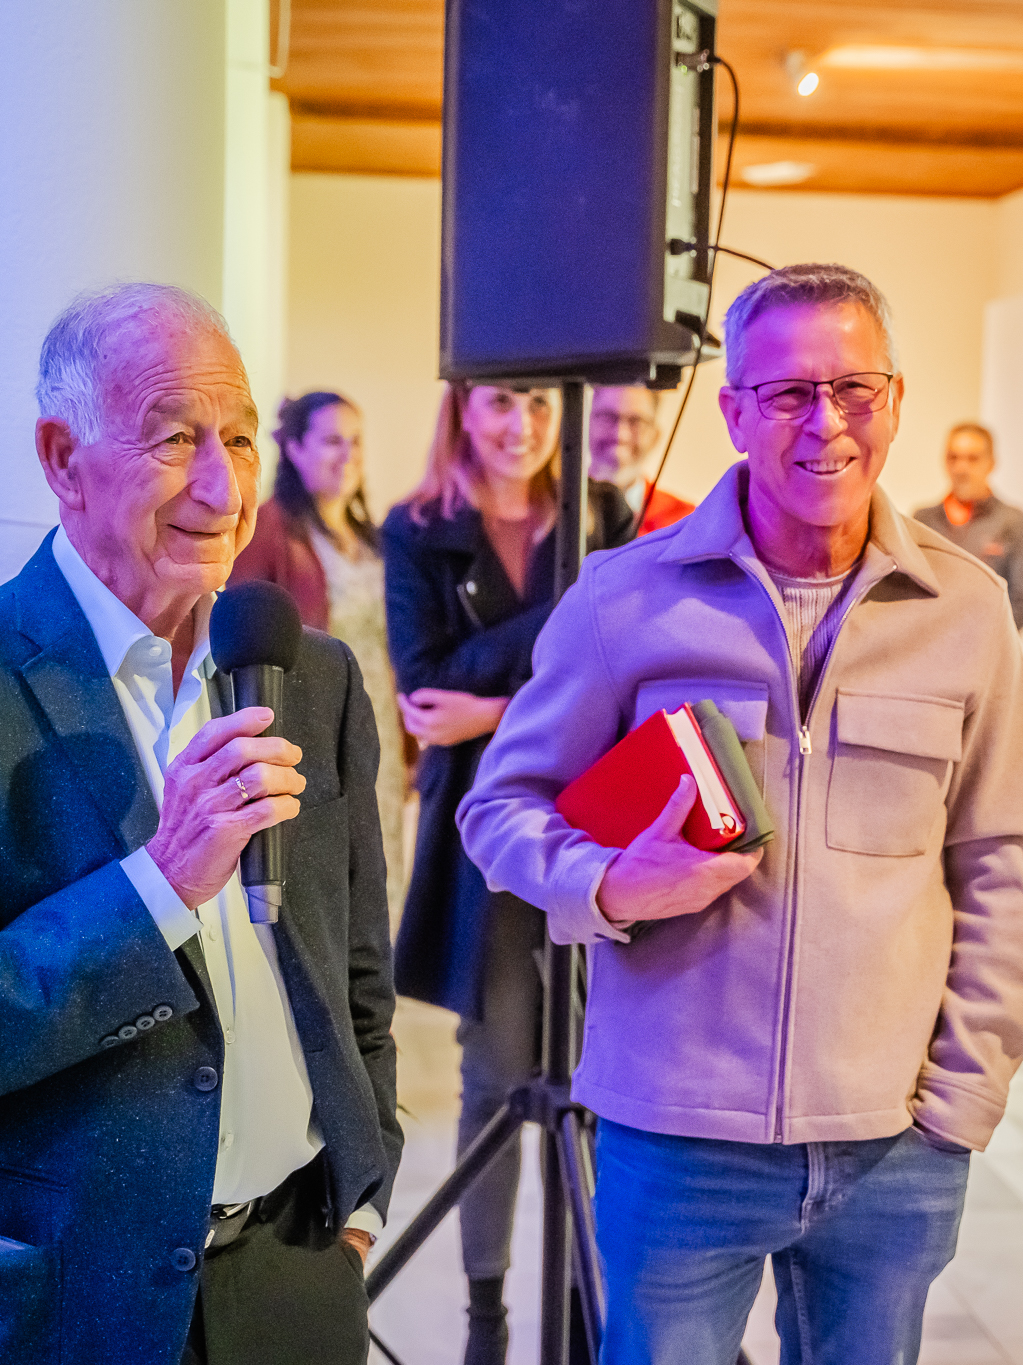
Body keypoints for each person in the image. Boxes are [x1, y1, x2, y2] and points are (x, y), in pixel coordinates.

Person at [459, 262, 1023, 1364]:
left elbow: (995, 866)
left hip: (891, 1147)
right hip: (675, 1142)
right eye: (787, 394)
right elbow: (500, 808)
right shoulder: (626, 596)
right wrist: (609, 884)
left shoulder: (966, 609)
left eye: (854, 389)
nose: (826, 423)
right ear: (732, 411)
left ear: (894, 401)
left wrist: (963, 1095)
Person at [0, 284, 400, 1365]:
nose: (224, 487)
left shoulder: (309, 676)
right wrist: (160, 884)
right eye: (175, 439)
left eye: (239, 439)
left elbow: (353, 963)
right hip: (48, 1303)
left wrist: (362, 1188)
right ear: (62, 458)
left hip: (293, 1280)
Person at [380, 381, 631, 1365]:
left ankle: (588, 1303)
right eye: (498, 404)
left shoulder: (600, 511)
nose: (521, 425)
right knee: (494, 1077)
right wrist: (565, 620)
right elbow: (423, 684)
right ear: (460, 409)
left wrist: (491, 709)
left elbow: (620, 669)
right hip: (485, 834)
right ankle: (485, 1318)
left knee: (600, 1081)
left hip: (598, 817)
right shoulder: (418, 528)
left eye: (537, 403)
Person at [230, 389, 408, 918]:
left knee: (383, 865)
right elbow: (241, 633)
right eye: (332, 441)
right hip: (314, 725)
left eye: (356, 441)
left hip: (381, 724)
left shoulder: (373, 538)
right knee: (328, 874)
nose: (347, 455)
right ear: (296, 449)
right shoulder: (268, 530)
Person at [912, 421, 1023, 628]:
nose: (961, 468)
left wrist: (977, 642)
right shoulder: (922, 521)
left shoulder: (1016, 523)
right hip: (931, 641)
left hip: (991, 642)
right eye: (953, 458)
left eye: (973, 458)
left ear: (991, 463)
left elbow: (1020, 605)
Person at [589, 384, 692, 534]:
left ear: (654, 437)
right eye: (607, 417)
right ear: (585, 424)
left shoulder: (685, 522)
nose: (620, 435)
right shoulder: (554, 508)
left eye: (636, 421)